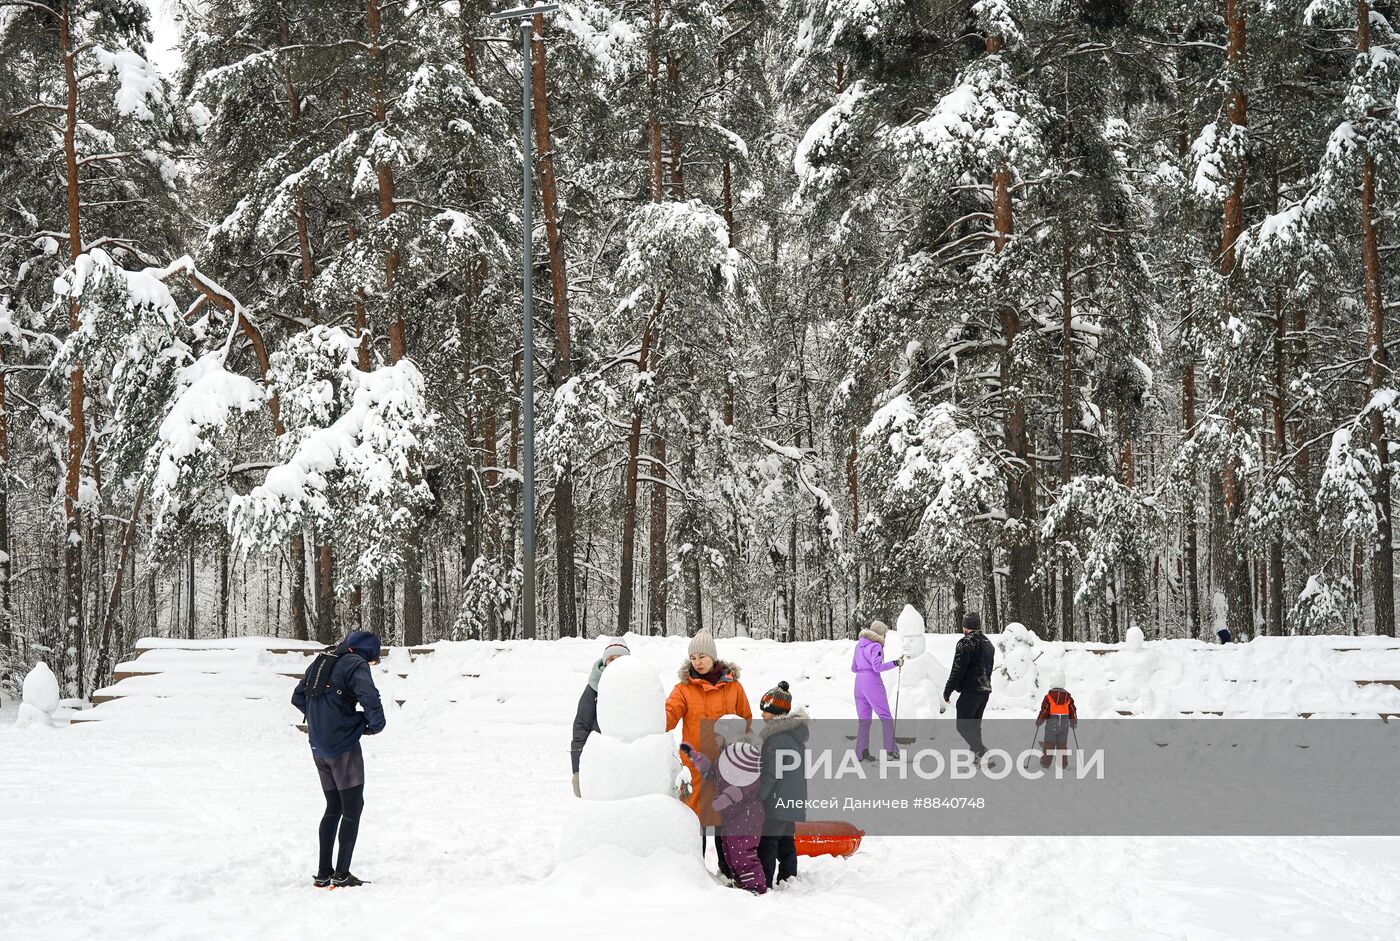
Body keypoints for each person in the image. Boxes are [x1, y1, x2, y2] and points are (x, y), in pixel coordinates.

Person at [291, 630, 386, 888]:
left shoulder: (324, 659)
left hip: (318, 746)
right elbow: (369, 697)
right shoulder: (354, 663)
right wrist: (373, 725)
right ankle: (341, 875)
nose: (371, 666)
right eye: (373, 661)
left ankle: (323, 873)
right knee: (353, 808)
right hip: (343, 747)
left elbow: (298, 697)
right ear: (366, 653)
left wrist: (323, 719)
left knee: (333, 807)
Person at [665, 629, 752, 877]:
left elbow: (745, 720)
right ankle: (696, 871)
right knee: (695, 819)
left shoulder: (734, 687)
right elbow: (668, 717)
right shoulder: (683, 689)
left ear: (713, 657)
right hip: (695, 765)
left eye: (702, 656)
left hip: (728, 765)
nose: (697, 662)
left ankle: (729, 869)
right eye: (693, 658)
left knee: (727, 817)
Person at [683, 737, 768, 894]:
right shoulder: (724, 757)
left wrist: (728, 797)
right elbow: (712, 772)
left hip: (747, 813)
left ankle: (755, 886)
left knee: (743, 851)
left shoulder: (746, 755)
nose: (714, 737)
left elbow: (749, 783)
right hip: (732, 814)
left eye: (718, 734)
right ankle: (740, 881)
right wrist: (694, 756)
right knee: (730, 850)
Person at [757, 681, 808, 887]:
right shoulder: (795, 737)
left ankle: (764, 882)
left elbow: (771, 773)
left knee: (768, 842)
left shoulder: (776, 740)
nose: (762, 715)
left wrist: (759, 796)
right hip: (793, 799)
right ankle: (789, 878)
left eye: (765, 711)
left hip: (777, 801)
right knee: (786, 841)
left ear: (775, 712)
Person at [570, 639, 631, 797]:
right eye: (611, 659)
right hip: (599, 756)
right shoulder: (593, 688)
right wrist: (578, 770)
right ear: (605, 662)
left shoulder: (635, 686)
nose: (614, 663)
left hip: (627, 758)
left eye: (620, 659)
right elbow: (581, 728)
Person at [943, 612, 995, 762]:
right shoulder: (988, 644)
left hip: (971, 691)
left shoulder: (965, 643)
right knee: (974, 726)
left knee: (963, 726)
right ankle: (976, 757)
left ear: (966, 627)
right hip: (985, 691)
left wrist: (948, 690)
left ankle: (982, 752)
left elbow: (957, 669)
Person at [852, 620, 903, 760]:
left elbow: (853, 668)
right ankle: (891, 750)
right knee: (885, 716)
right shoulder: (876, 646)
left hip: (858, 683)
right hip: (871, 682)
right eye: (885, 634)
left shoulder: (859, 646)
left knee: (864, 720)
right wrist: (895, 663)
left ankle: (861, 752)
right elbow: (877, 667)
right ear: (881, 634)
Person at [1035, 671, 1078, 769]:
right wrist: (1073, 721)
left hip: (1051, 724)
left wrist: (1039, 721)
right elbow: (1072, 710)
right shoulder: (1068, 697)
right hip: (1064, 724)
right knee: (1062, 745)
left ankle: (1045, 763)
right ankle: (1062, 764)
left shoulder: (1049, 697)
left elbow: (1044, 711)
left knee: (1049, 744)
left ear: (1052, 682)